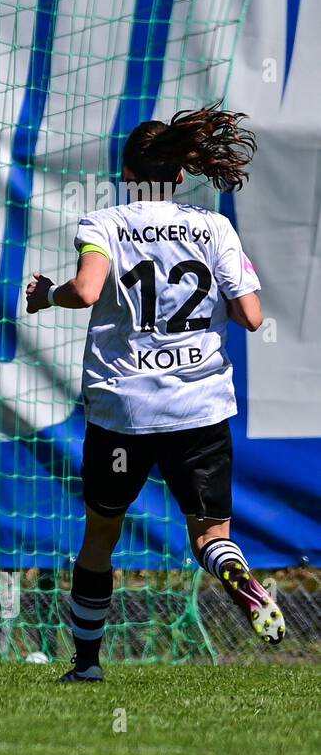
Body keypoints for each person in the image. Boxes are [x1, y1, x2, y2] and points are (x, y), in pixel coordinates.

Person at [25, 105, 284, 683]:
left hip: (126, 411)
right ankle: (239, 578)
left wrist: (46, 298)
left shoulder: (104, 224)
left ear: (127, 172)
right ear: (179, 172)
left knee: (101, 535)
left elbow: (89, 291)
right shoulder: (214, 226)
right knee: (212, 536)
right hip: (201, 407)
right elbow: (251, 314)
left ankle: (87, 667)